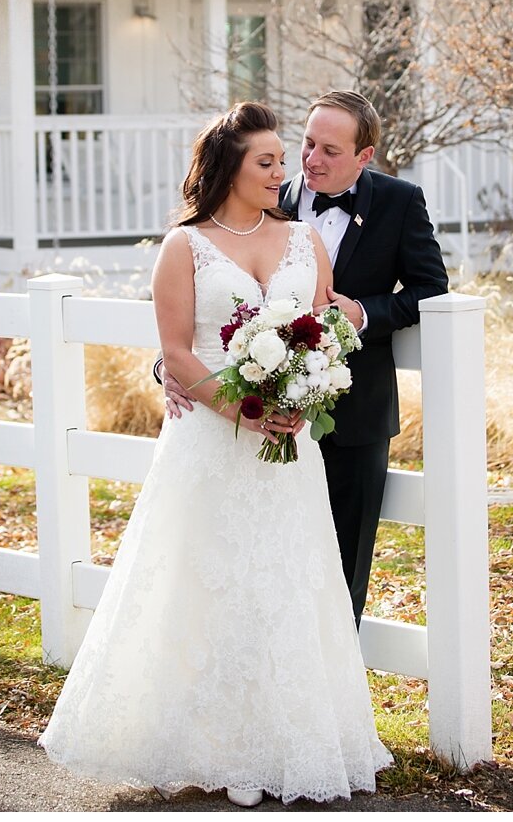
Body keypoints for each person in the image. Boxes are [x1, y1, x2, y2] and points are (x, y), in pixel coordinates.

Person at [39, 102, 391, 807]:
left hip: (290, 450)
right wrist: (249, 410)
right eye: (266, 163)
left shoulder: (302, 242)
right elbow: (174, 352)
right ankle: (214, 748)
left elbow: (322, 334)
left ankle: (285, 744)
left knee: (286, 586)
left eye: (281, 162)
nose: (282, 173)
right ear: (230, 166)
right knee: (205, 586)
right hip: (211, 445)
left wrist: (304, 399)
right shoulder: (185, 246)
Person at [157, 90, 448, 623]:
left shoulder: (399, 201)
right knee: (239, 562)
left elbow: (432, 287)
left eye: (330, 151)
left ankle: (329, 690)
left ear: (364, 156)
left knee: (338, 568)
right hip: (239, 421)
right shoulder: (266, 196)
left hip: (353, 412)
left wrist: (360, 313)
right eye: (307, 144)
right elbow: (193, 319)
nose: (310, 161)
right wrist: (169, 369)